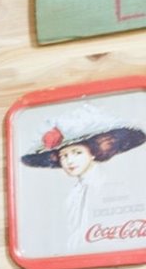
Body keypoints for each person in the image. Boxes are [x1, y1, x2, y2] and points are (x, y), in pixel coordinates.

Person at [18, 104, 146, 257]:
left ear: (93, 152)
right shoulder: (75, 193)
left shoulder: (107, 186)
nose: (69, 161)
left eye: (77, 152)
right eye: (63, 156)